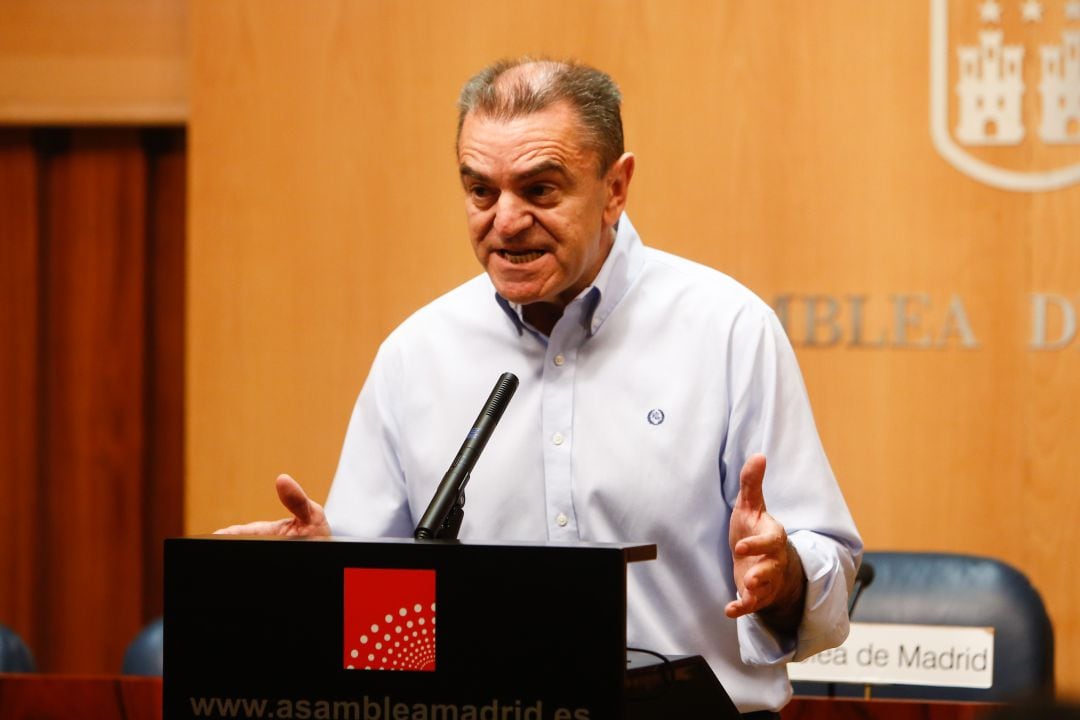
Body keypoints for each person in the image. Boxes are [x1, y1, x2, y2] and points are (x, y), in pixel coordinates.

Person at [218, 57, 862, 716]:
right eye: (480, 191)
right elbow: (383, 632)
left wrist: (784, 577)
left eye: (540, 190)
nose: (505, 220)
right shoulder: (417, 354)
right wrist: (320, 578)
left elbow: (832, 580)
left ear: (616, 187)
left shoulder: (727, 330)